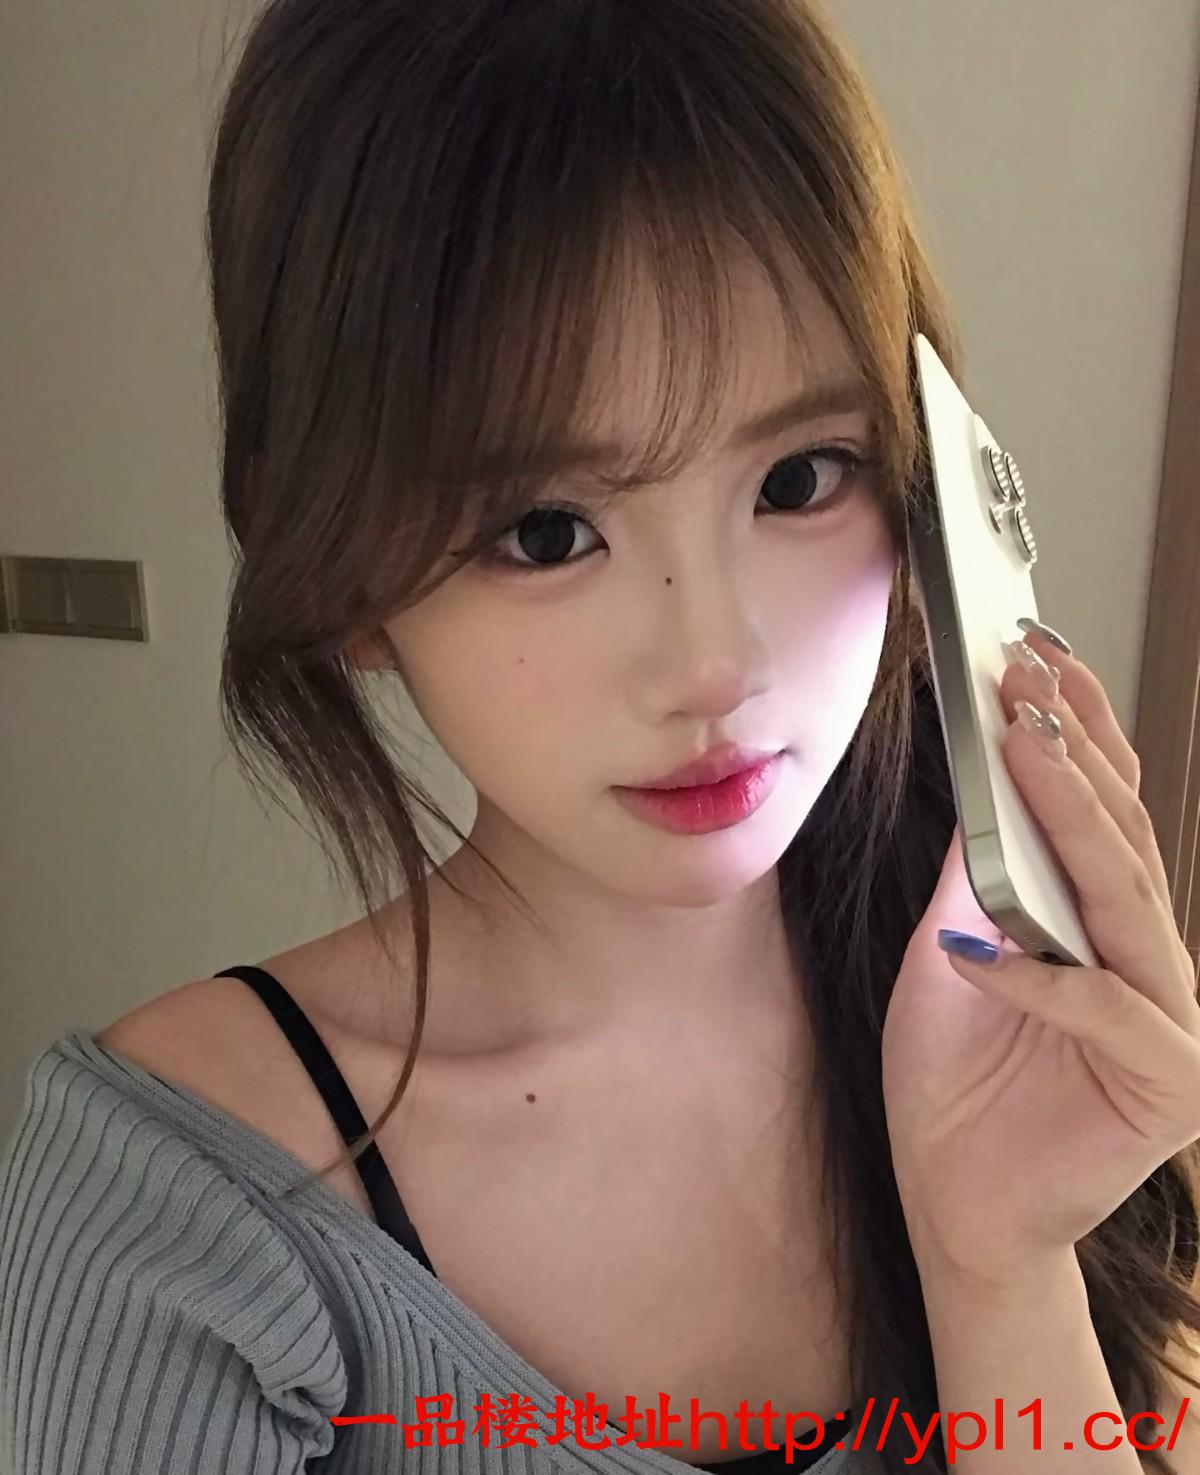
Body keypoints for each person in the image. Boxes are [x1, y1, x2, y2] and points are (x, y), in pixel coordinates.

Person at [2, 2, 1199, 1472]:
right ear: (341, 565)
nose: (714, 664)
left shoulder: (1010, 1038)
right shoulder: (183, 1205)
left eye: (801, 479)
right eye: (547, 531)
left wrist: (1000, 1268)